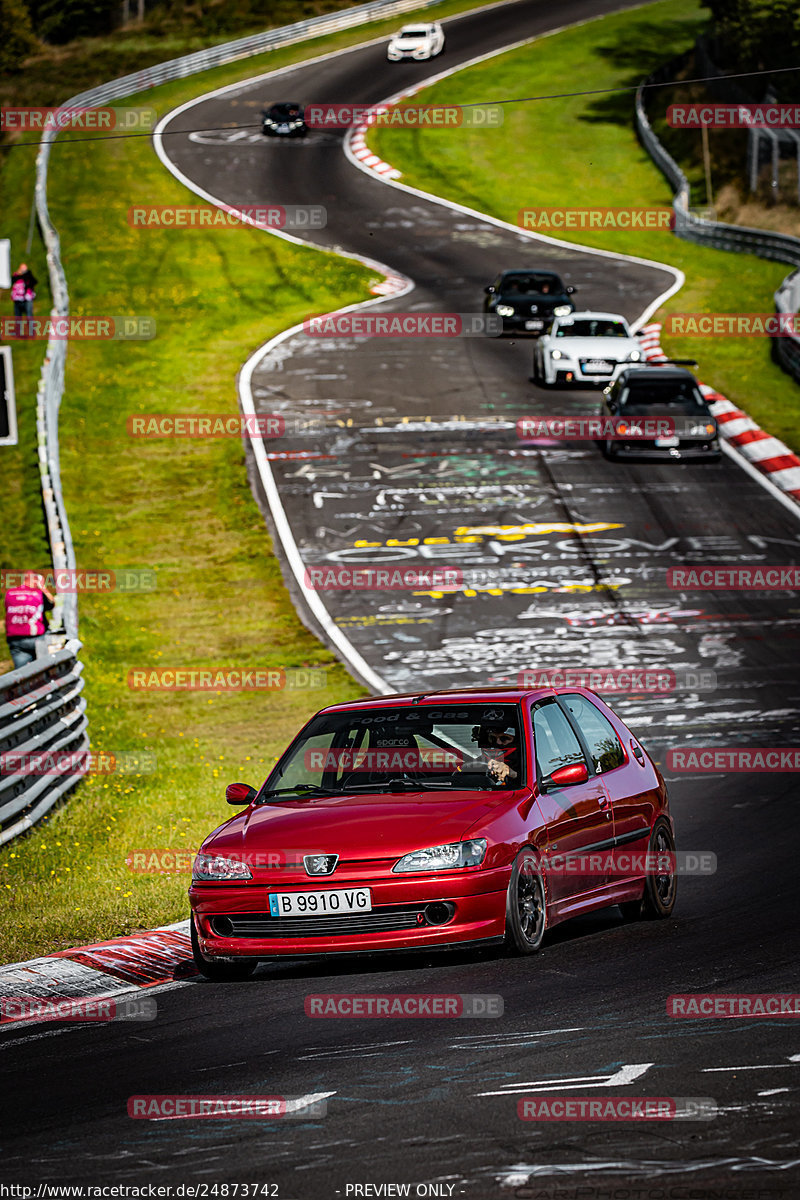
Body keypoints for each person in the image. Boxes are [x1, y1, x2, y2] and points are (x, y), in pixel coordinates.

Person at [4, 572, 55, 669]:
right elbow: (51, 603)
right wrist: (43, 587)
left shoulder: (9, 593)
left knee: (22, 673)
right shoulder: (38, 594)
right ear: (36, 580)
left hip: (15, 639)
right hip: (36, 638)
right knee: (41, 670)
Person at [10, 263, 37, 336]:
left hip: (27, 298)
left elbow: (34, 282)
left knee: (29, 316)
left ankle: (32, 332)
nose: (23, 271)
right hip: (17, 299)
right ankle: (18, 332)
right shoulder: (16, 275)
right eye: (22, 269)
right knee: (18, 316)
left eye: (25, 269)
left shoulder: (29, 275)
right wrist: (18, 274)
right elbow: (12, 281)